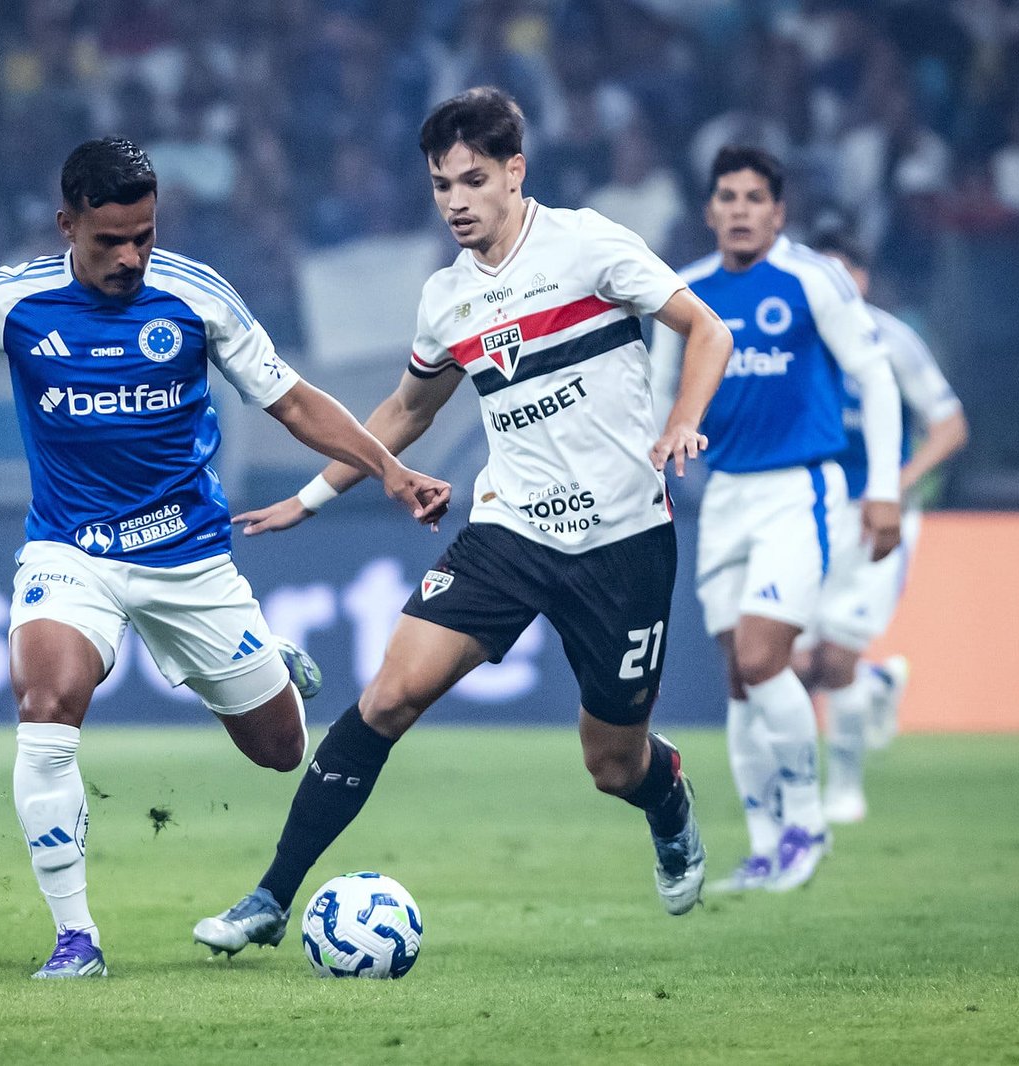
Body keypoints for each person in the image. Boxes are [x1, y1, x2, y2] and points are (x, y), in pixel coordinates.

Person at [0, 137, 451, 979]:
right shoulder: (16, 300)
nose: (131, 257)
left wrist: (387, 470)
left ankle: (265, 665)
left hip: (188, 558)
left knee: (279, 750)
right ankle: (75, 939)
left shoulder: (197, 298)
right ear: (67, 224)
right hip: (72, 552)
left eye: (146, 237)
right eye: (110, 241)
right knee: (47, 706)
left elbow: (293, 401)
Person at [191, 86, 734, 959]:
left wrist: (681, 420)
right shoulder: (446, 299)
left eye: (473, 181)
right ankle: (269, 898)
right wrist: (313, 496)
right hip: (509, 531)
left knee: (612, 765)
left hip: (623, 543)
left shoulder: (588, 246)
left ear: (515, 173)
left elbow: (706, 330)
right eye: (441, 184)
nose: (455, 201)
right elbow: (407, 410)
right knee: (387, 698)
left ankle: (665, 791)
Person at [655, 147, 904, 893]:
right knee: (739, 676)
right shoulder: (687, 294)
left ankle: (807, 824)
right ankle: (764, 846)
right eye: (726, 196)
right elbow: (659, 397)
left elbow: (874, 376)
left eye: (754, 197)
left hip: (802, 490)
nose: (738, 209)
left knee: (764, 657)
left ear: (778, 212)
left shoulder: (811, 279)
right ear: (709, 211)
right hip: (724, 494)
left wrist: (884, 488)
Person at [794, 234, 968, 824]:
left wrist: (896, 482)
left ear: (863, 281)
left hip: (876, 514)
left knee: (834, 659)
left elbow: (949, 424)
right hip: (802, 512)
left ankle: (844, 789)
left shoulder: (893, 341)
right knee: (796, 666)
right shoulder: (790, 342)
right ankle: (877, 684)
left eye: (844, 275)